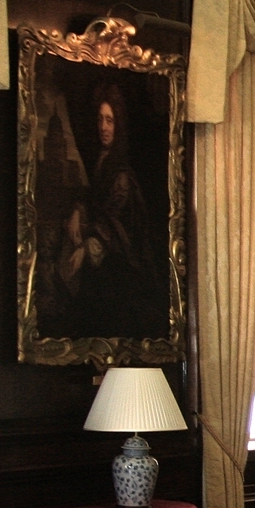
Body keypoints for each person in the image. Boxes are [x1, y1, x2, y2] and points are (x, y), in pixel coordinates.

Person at [53, 82, 167, 339]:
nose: (103, 127)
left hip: (120, 267)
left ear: (118, 125)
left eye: (110, 120)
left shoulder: (122, 175)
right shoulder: (102, 160)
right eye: (100, 119)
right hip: (103, 258)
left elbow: (114, 223)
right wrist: (78, 210)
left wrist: (87, 248)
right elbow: (94, 200)